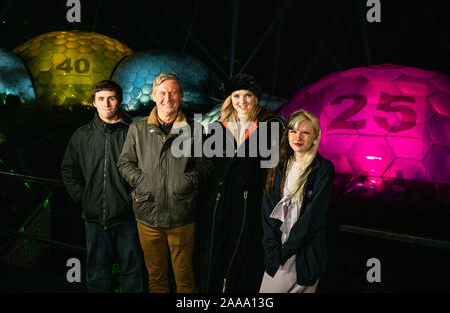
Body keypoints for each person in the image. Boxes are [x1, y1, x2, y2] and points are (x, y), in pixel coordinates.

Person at [117, 72, 212, 293]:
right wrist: (142, 181)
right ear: (153, 95)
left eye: (173, 93)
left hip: (182, 215)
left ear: (180, 96)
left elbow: (206, 165)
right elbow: (124, 163)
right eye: (162, 93)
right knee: (156, 276)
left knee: (185, 277)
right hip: (147, 214)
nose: (167, 98)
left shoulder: (195, 130)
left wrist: (186, 181)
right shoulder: (137, 129)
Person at [196, 73, 284, 293]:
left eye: (248, 95)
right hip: (218, 203)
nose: (242, 101)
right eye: (236, 95)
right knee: (214, 257)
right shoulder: (218, 127)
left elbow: (274, 168)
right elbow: (207, 166)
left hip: (249, 204)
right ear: (230, 99)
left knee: (243, 258)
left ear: (256, 98)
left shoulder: (270, 126)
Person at [61, 80, 144, 293]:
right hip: (94, 219)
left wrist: (133, 199)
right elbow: (69, 170)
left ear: (119, 101)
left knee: (132, 273)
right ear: (94, 103)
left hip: (127, 218)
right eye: (101, 99)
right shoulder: (82, 135)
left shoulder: (131, 134)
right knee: (97, 274)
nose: (106, 104)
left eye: (111, 98)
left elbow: (145, 172)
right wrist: (83, 197)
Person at [259, 109, 334, 293]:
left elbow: (313, 217)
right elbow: (267, 210)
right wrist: (272, 249)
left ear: (315, 136)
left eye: (305, 132)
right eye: (293, 131)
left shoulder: (322, 168)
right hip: (277, 248)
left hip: (303, 250)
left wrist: (285, 252)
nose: (297, 137)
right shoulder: (279, 164)